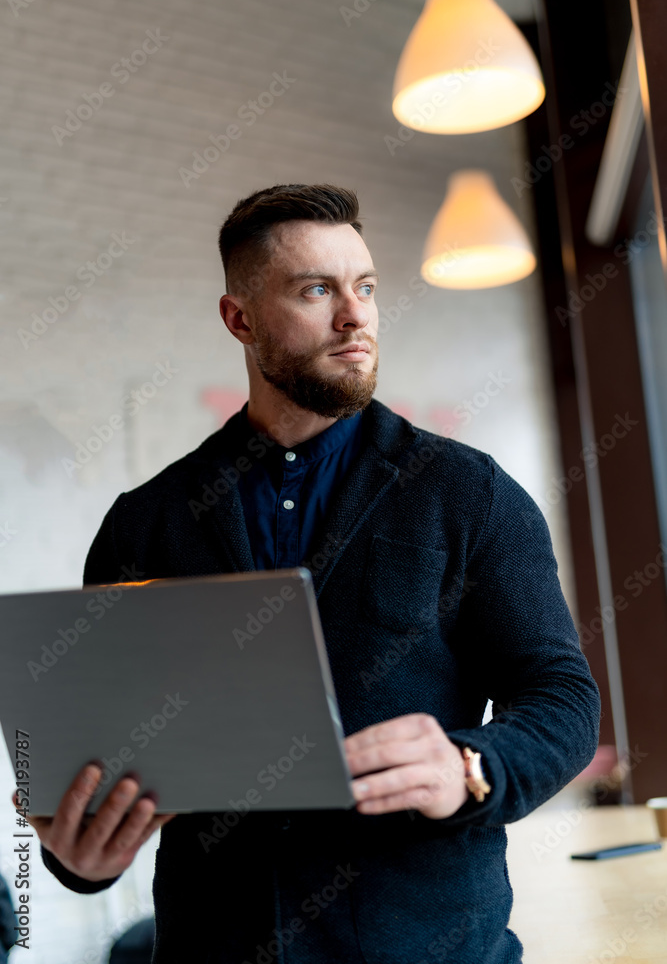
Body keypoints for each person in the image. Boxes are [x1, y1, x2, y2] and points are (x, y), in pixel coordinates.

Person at [17, 183, 600, 962]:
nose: (355, 315)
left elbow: (562, 698)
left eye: (363, 287)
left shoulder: (468, 493)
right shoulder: (145, 522)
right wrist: (76, 863)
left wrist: (473, 765)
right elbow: (93, 756)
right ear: (240, 319)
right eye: (316, 290)